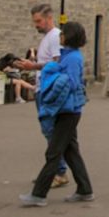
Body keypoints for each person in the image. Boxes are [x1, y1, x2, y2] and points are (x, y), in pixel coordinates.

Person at [20, 21, 94, 207]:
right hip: (69, 109)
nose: (60, 36)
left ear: (68, 36)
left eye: (63, 34)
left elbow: (71, 83)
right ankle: (85, 189)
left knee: (54, 152)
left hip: (68, 110)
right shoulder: (67, 56)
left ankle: (39, 194)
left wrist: (51, 92)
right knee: (70, 151)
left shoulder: (72, 58)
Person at [15, 3, 69, 187]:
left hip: (48, 90)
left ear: (49, 18)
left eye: (38, 21)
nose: (36, 25)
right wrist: (31, 63)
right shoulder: (48, 37)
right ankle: (57, 171)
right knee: (51, 133)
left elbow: (57, 63)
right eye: (34, 21)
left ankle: (59, 172)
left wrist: (34, 66)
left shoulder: (55, 37)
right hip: (43, 88)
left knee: (50, 132)